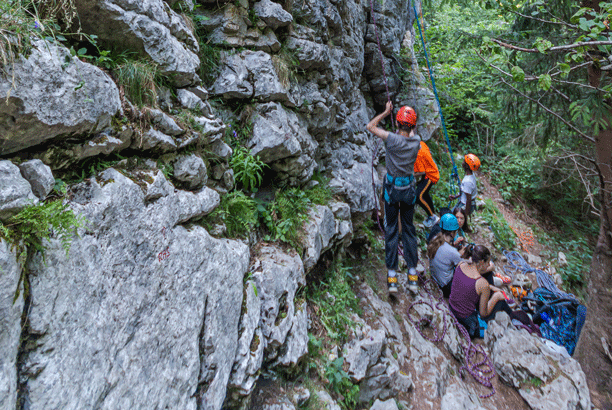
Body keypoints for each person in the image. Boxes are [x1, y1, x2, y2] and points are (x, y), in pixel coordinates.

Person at [367, 101, 421, 294]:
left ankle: (392, 277)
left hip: (392, 192)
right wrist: (406, 123)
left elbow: (370, 127)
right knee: (408, 230)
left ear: (397, 124)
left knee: (391, 230)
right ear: (413, 126)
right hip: (408, 193)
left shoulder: (390, 139)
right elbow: (411, 133)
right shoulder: (416, 142)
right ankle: (412, 276)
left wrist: (385, 112)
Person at [449, 245, 513, 338]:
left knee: (489, 283)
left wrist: (490, 287)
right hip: (468, 323)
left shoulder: (460, 265)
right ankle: (513, 319)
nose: (489, 265)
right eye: (487, 262)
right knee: (500, 302)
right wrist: (496, 296)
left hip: (452, 309)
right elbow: (484, 313)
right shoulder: (482, 284)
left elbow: (466, 285)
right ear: (482, 262)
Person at [427, 214, 468, 297]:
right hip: (446, 287)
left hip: (435, 278)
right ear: (452, 233)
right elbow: (465, 267)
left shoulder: (435, 239)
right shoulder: (452, 251)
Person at [414, 141, 440, 228]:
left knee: (418, 196)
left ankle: (432, 217)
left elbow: (421, 171)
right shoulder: (421, 143)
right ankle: (432, 214)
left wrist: (409, 175)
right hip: (431, 171)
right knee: (424, 193)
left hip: (430, 175)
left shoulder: (417, 154)